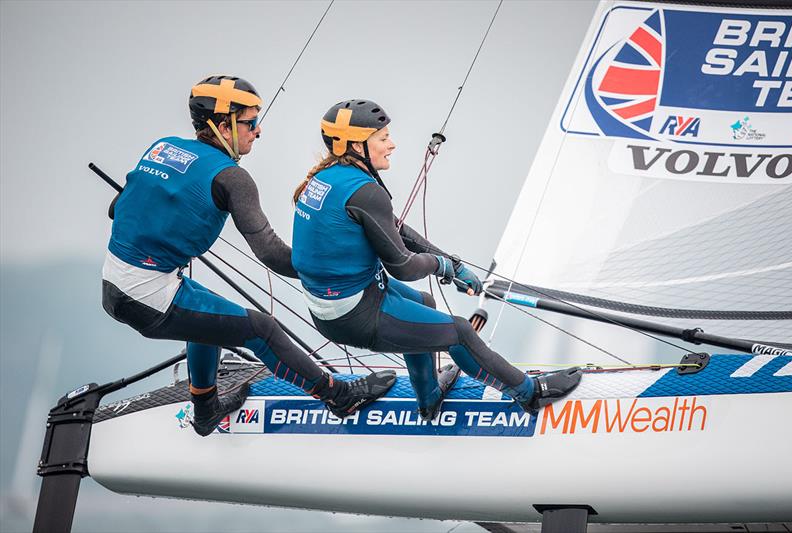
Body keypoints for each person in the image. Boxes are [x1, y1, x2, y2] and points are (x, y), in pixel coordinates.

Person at [101, 78, 395, 436]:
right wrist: (333, 267)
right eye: (251, 123)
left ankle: (206, 408)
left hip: (116, 284)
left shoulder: (162, 148)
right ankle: (340, 396)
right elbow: (272, 254)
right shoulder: (233, 178)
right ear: (222, 126)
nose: (258, 131)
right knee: (261, 329)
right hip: (147, 297)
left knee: (208, 318)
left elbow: (118, 209)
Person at [291, 99, 582, 420]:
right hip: (355, 314)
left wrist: (453, 265)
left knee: (425, 303)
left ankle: (428, 398)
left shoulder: (330, 178)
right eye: (383, 138)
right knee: (459, 333)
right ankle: (530, 394)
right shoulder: (365, 191)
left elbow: (396, 231)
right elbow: (401, 265)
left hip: (343, 303)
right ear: (356, 145)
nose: (392, 144)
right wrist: (442, 266)